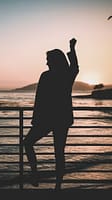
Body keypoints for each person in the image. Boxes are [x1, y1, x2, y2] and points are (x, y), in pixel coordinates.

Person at [23, 38, 79, 190]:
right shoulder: (58, 75)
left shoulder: (54, 76)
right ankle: (56, 186)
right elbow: (39, 99)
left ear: (55, 61)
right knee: (58, 152)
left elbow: (39, 100)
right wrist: (72, 49)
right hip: (59, 119)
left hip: (49, 120)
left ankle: (38, 176)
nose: (46, 63)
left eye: (48, 60)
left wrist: (72, 48)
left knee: (29, 143)